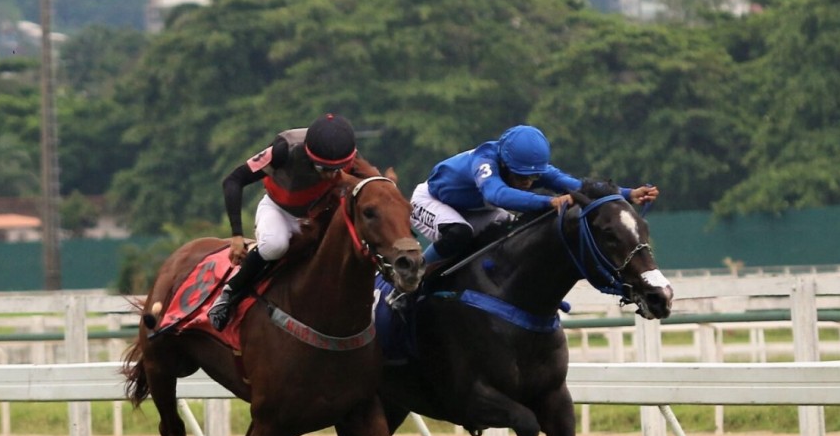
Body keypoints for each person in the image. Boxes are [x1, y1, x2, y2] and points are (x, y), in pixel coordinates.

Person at [409, 124, 660, 267]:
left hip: (474, 210)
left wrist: (627, 193)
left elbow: (576, 186)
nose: (528, 182)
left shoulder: (531, 166)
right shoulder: (484, 160)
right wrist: (548, 201)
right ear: (505, 163)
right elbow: (496, 194)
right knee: (459, 233)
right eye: (521, 176)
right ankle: (413, 274)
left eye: (533, 177)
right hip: (431, 201)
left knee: (512, 233)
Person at [207, 113, 359, 331]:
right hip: (279, 209)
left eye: (336, 170)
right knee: (275, 245)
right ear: (308, 154)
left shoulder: (348, 154)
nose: (329, 176)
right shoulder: (284, 149)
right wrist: (237, 235)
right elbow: (234, 180)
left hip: (320, 215)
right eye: (322, 169)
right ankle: (229, 294)